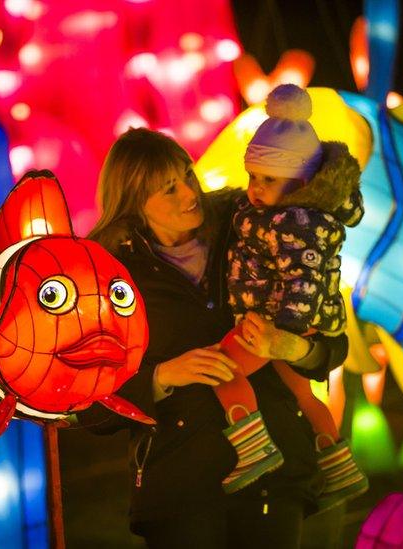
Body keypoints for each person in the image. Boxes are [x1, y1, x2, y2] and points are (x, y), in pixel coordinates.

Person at [79, 127, 349, 548]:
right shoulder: (111, 280)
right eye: (169, 189)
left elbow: (332, 345)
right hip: (182, 488)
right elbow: (92, 406)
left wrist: (292, 347)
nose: (189, 193)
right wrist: (163, 376)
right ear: (134, 201)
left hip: (276, 479)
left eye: (188, 174)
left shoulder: (253, 231)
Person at [218, 83, 368, 507]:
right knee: (304, 394)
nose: (254, 189)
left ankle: (252, 452)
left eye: (268, 179)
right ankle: (338, 466)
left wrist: (283, 332)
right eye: (252, 177)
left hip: (274, 321)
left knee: (225, 371)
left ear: (300, 181)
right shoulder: (290, 214)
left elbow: (302, 278)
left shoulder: (293, 221)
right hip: (287, 322)